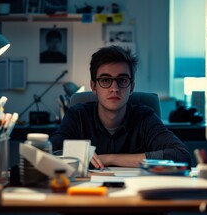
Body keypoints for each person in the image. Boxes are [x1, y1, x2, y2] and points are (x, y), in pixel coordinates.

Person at [51, 45, 191, 169]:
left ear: (131, 87)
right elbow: (49, 152)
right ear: (94, 86)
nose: (115, 88)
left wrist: (109, 158)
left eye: (122, 80)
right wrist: (80, 151)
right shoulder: (78, 115)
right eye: (105, 80)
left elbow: (181, 156)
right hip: (88, 192)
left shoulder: (144, 117)